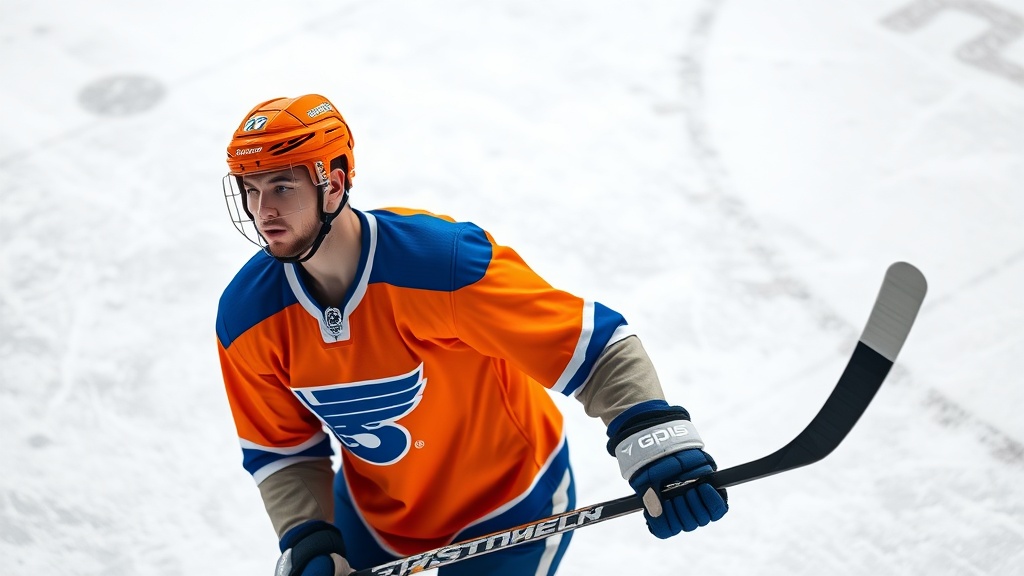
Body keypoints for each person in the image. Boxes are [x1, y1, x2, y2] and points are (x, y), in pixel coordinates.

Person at [216, 94, 728, 576]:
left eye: (282, 187)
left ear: (333, 183)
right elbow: (281, 449)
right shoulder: (246, 318)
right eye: (251, 190)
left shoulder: (442, 262)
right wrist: (307, 534)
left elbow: (596, 348)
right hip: (375, 515)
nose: (263, 212)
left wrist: (654, 441)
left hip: (511, 507)